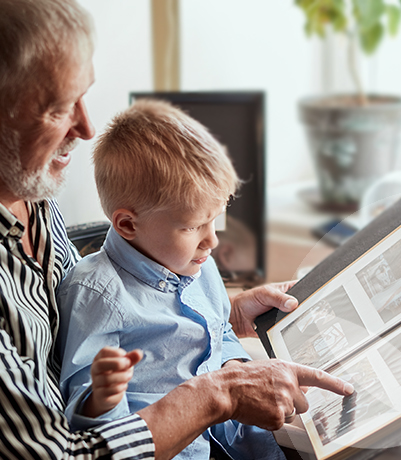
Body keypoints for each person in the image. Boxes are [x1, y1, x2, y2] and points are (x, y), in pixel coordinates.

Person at [0, 0, 354, 458]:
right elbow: (69, 444)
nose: (87, 128)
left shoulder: (33, 192)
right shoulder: (95, 290)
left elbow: (154, 317)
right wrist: (216, 394)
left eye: (83, 95)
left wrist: (225, 316)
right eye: (57, 108)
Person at [58, 98, 289, 460]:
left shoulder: (198, 262)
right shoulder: (95, 292)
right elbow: (87, 414)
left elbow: (219, 333)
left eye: (215, 220)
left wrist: (234, 364)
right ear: (128, 225)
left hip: (237, 443)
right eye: (193, 226)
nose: (211, 239)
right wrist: (101, 399)